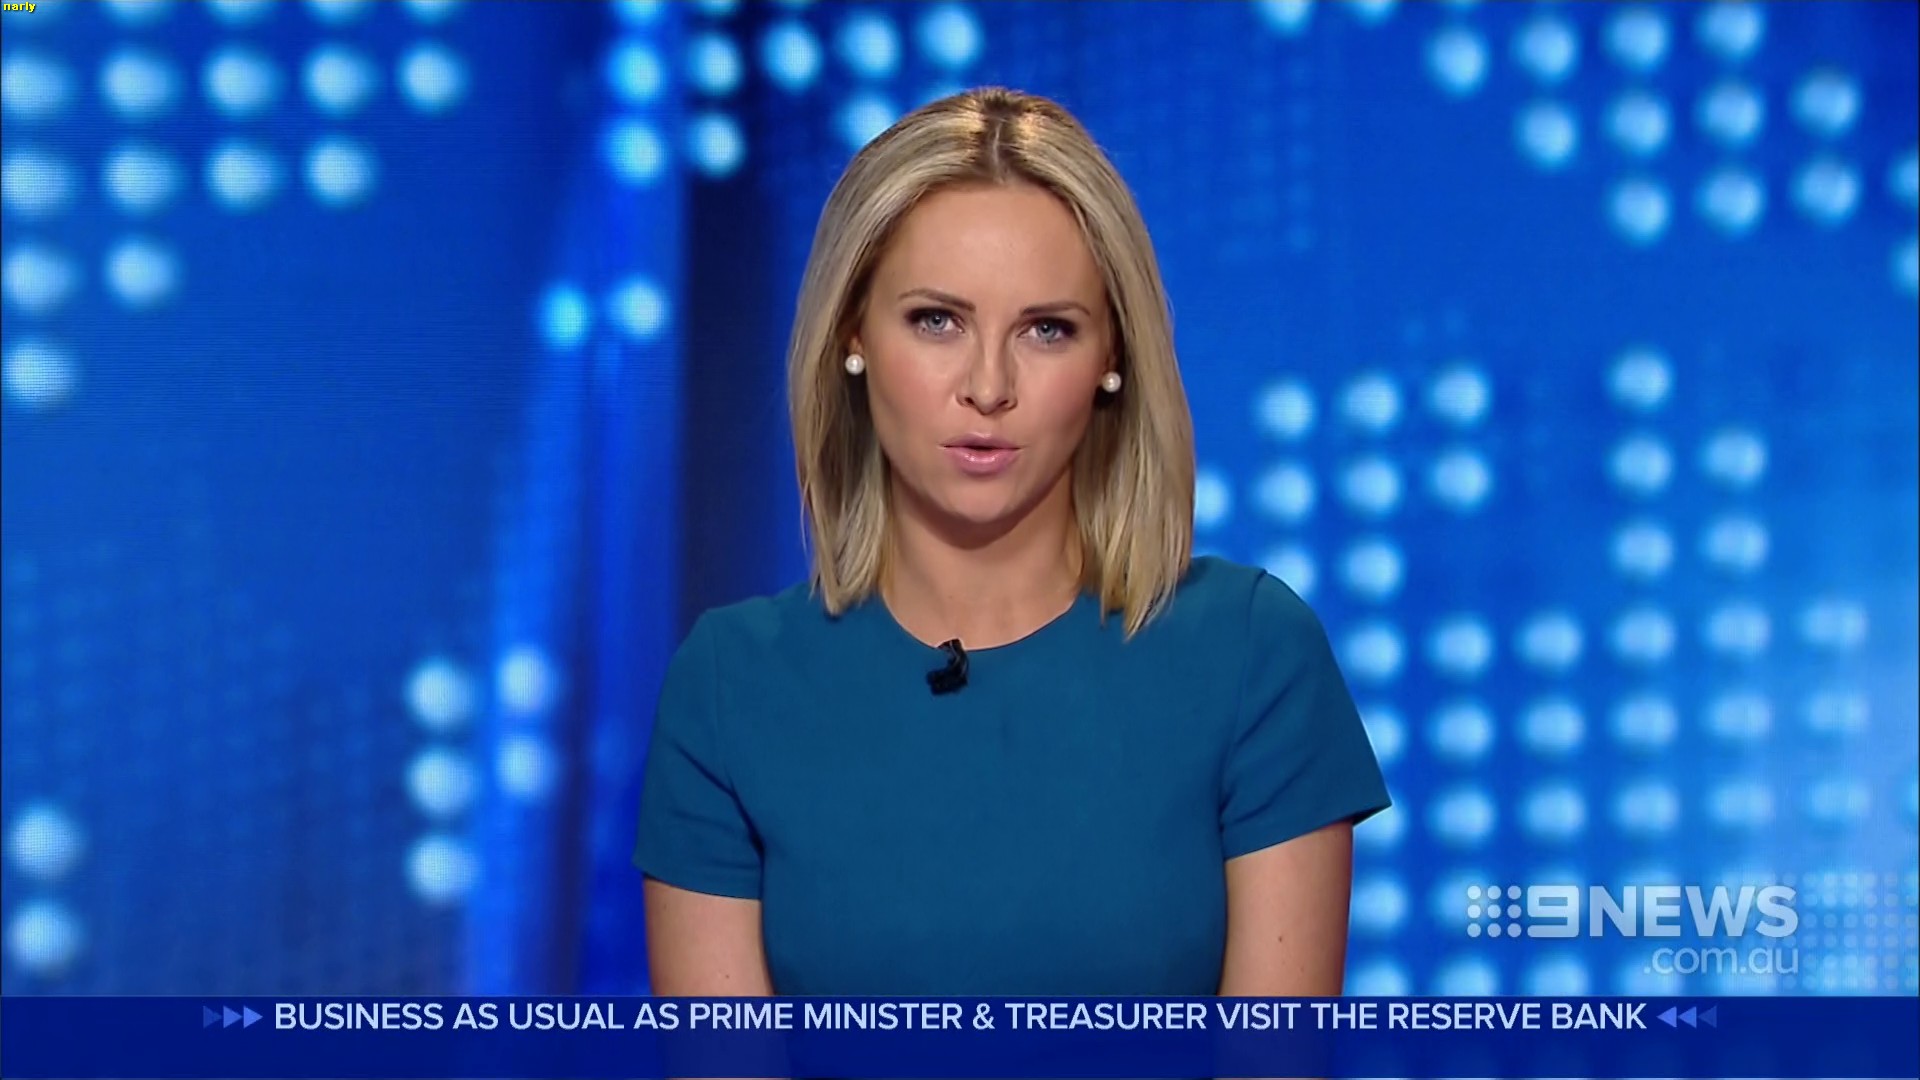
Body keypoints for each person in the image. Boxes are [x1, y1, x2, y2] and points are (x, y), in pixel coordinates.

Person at [634, 87, 1390, 998]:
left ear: (1113, 357)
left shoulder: (1252, 656)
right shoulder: (732, 685)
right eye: (937, 320)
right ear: (851, 334)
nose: (988, 386)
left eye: (1046, 329)